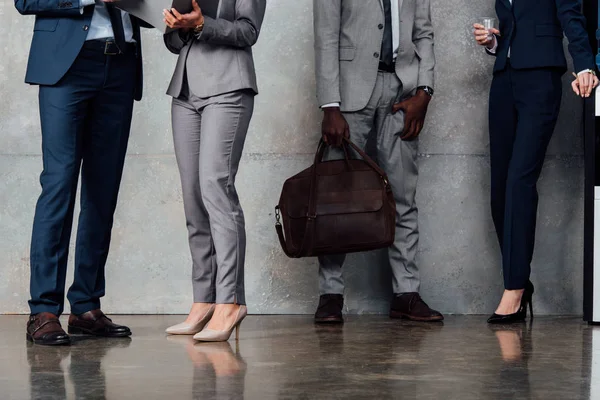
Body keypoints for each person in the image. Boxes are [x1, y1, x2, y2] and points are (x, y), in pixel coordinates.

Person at [15, 0, 148, 345]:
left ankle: (86, 305)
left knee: (103, 189)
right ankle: (43, 310)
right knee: (59, 184)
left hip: (120, 61)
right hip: (68, 65)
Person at [312, 0, 443, 323]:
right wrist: (331, 105)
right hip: (349, 93)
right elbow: (326, 34)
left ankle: (406, 293)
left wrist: (424, 91)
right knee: (336, 196)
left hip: (403, 93)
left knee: (402, 194)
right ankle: (330, 294)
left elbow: (424, 32)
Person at [473, 0, 599, 323]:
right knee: (500, 192)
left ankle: (514, 289)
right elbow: (513, 26)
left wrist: (585, 65)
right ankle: (520, 283)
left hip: (541, 79)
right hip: (503, 79)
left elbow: (571, 14)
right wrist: (493, 42)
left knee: (519, 181)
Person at [162, 0, 266, 341]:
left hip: (228, 86)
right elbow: (172, 42)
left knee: (216, 187)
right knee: (193, 197)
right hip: (185, 91)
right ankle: (203, 299)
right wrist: (177, 27)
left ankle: (230, 300)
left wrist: (202, 24)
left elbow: (248, 31)